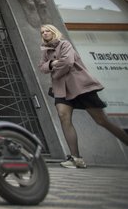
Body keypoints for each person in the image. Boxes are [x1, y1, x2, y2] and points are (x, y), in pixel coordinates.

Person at [38, 24, 128, 168]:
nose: (45, 33)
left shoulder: (65, 44)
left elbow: (68, 62)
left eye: (47, 30)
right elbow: (42, 67)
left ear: (54, 31)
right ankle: (76, 158)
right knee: (63, 116)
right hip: (61, 89)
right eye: (42, 32)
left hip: (80, 86)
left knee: (101, 121)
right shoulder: (45, 50)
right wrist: (53, 63)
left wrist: (54, 70)